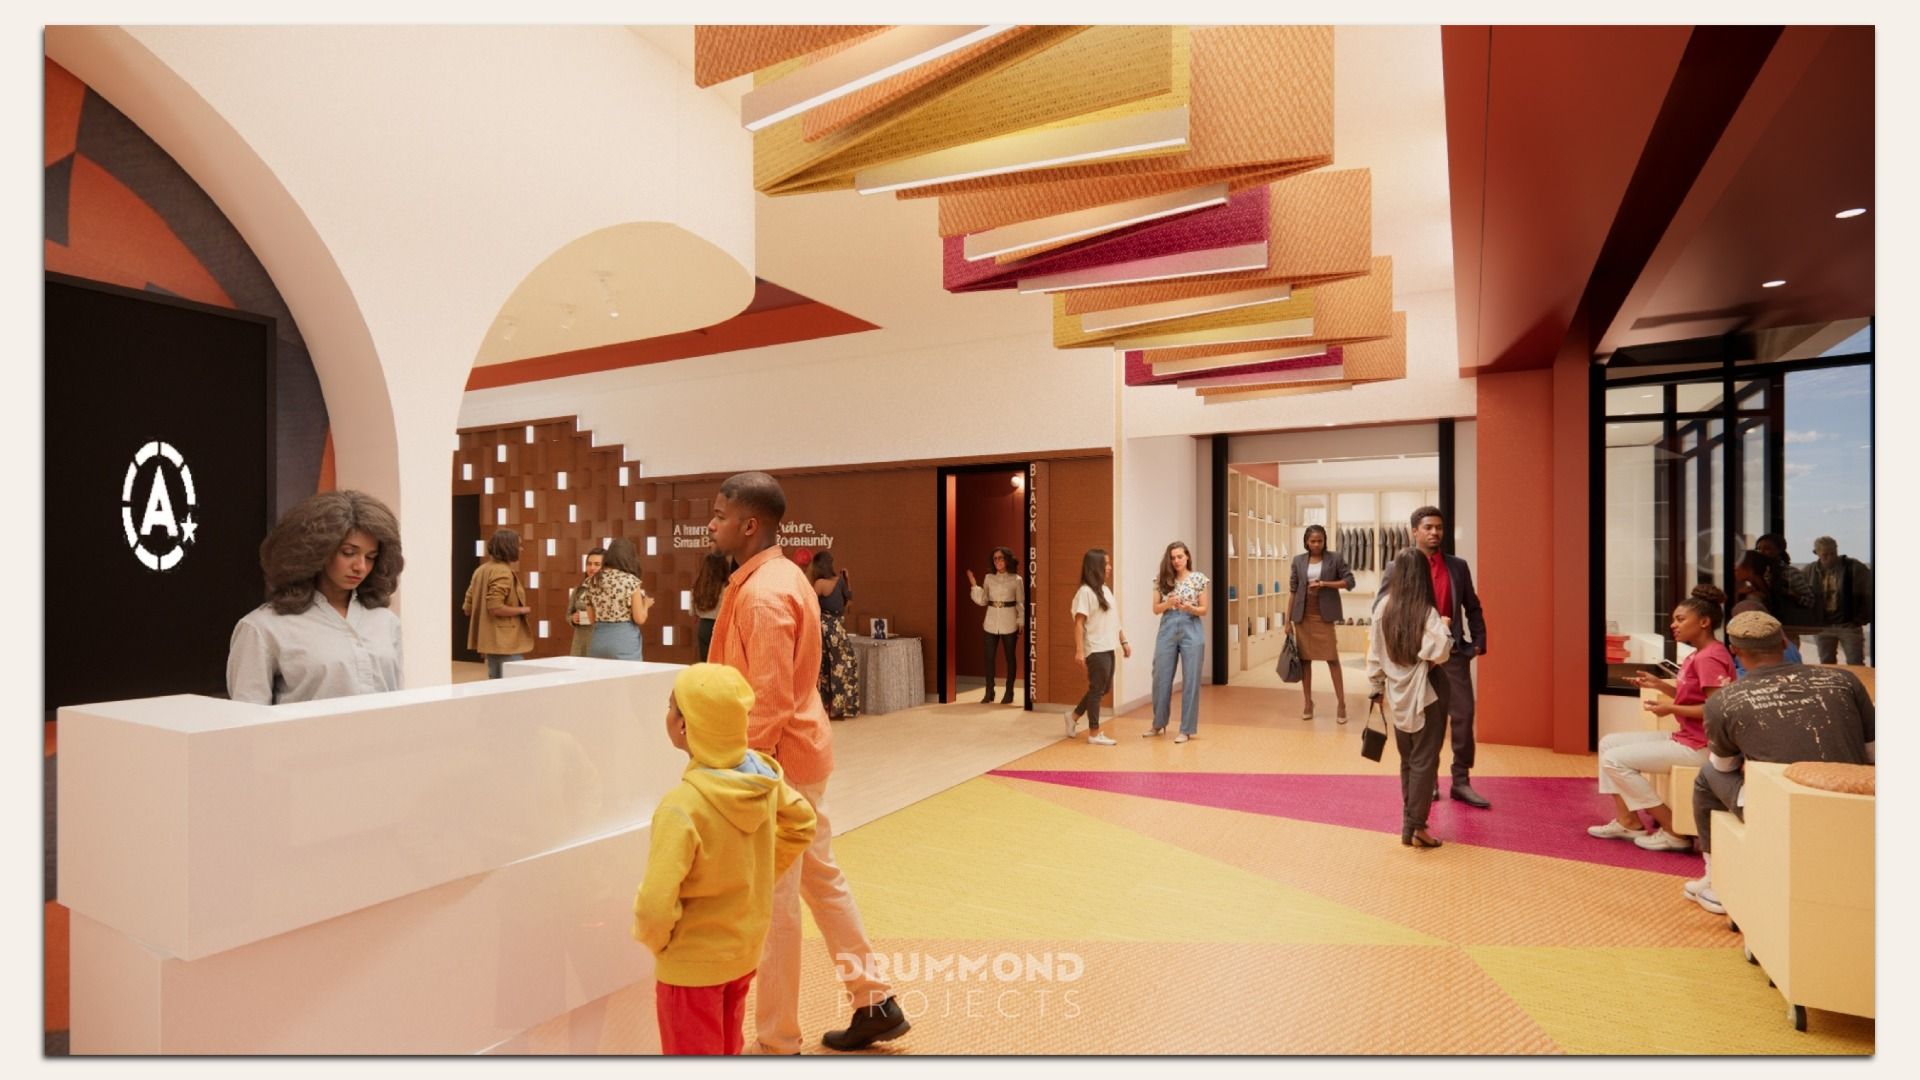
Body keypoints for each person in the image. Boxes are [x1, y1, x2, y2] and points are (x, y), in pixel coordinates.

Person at [704, 472, 904, 1053]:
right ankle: (874, 1000)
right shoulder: (781, 576)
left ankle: (777, 1042)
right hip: (800, 754)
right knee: (820, 879)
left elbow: (765, 702)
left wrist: (738, 774)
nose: (710, 525)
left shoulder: (764, 593)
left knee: (775, 905)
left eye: (718, 516)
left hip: (777, 764)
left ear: (749, 524)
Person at [634, 663, 817, 1056]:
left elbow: (653, 907)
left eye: (672, 707)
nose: (668, 715)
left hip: (690, 967)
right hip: (742, 952)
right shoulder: (761, 780)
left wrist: (660, 944)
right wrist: (761, 874)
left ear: (685, 726)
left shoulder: (681, 807)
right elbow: (802, 821)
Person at [1686, 610, 1874, 916]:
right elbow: (1873, 752)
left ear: (1734, 650)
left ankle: (1716, 881)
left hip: (1780, 807)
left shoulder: (1722, 701)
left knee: (1707, 776)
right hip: (1857, 804)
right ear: (1785, 642)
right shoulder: (1844, 680)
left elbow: (1723, 767)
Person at [1587, 586, 1735, 851]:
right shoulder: (1701, 654)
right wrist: (1659, 685)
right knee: (1609, 743)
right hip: (1688, 737)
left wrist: (1671, 709)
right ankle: (1627, 821)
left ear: (1704, 622)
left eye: (1680, 619)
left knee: (1614, 759)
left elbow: (1717, 709)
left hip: (1701, 746)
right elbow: (1693, 697)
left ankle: (1672, 830)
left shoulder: (1709, 658)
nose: (1673, 625)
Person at [227, 490, 405, 704]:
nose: (361, 566)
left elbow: (397, 703)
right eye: (348, 553)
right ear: (316, 551)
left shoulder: (385, 621)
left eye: (371, 557)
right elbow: (248, 716)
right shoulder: (263, 628)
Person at [1365, 550, 1453, 849]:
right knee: (1425, 761)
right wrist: (1444, 626)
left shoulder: (1383, 608)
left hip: (1396, 693)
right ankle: (1417, 828)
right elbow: (1441, 650)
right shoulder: (1425, 611)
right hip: (1428, 693)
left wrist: (1376, 686)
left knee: (1408, 760)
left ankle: (1409, 826)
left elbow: (1375, 653)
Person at [1409, 506, 1491, 808]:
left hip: (1452, 654)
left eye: (1439, 527)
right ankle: (1428, 781)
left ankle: (1461, 781)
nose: (1434, 532)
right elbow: (1384, 608)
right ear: (1414, 532)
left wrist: (1478, 641)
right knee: (1427, 721)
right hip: (1418, 657)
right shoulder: (1401, 566)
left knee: (1464, 715)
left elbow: (1472, 605)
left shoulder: (1457, 566)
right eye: (1428, 527)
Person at [1286, 524, 1355, 722]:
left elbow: (1350, 582)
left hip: (1324, 616)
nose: (1316, 544)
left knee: (1332, 659)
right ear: (1306, 542)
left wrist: (1324, 584)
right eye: (1313, 541)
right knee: (1305, 661)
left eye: (1320, 541)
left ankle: (1341, 704)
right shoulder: (1298, 560)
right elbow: (1293, 591)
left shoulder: (1335, 558)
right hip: (1303, 616)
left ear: (1325, 541)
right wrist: (1287, 621)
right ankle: (1308, 702)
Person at [1144, 541, 1208, 742]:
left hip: (1191, 626)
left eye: (1180, 556)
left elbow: (1204, 610)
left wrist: (1190, 608)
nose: (1176, 561)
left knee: (1191, 679)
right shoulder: (1161, 580)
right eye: (1173, 558)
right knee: (1160, 677)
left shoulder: (1198, 578)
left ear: (1187, 556)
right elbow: (1156, 609)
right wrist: (1168, 603)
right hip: (1168, 627)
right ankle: (1158, 723)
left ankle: (1186, 729)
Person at [1067, 548, 1132, 745]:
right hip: (1095, 648)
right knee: (1097, 690)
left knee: (1103, 688)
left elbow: (1114, 620)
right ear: (1096, 566)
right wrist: (1079, 650)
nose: (1109, 567)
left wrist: (1123, 641)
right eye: (1106, 564)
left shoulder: (1105, 590)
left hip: (1109, 646)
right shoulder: (1085, 592)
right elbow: (1078, 623)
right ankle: (1094, 733)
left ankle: (1073, 716)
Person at [967, 546, 1025, 704]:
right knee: (989, 658)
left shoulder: (1016, 579)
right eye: (995, 559)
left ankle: (1009, 692)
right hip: (991, 622)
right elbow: (984, 600)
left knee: (1010, 658)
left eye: (1000, 558)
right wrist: (974, 585)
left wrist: (1021, 620)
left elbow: (1020, 602)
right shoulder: (988, 578)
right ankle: (989, 692)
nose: (998, 561)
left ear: (1007, 560)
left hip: (1009, 621)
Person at [1804, 536, 1872, 665]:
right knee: (1827, 664)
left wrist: (1861, 618)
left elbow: (1870, 592)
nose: (1830, 558)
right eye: (1825, 555)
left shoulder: (1854, 567)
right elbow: (1801, 594)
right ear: (1816, 553)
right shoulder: (1809, 571)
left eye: (1833, 553)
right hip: (1822, 626)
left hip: (1848, 625)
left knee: (1855, 663)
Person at [585, 537, 652, 661]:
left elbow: (592, 619)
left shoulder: (592, 581)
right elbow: (639, 618)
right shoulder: (631, 581)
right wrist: (646, 605)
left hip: (598, 641)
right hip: (624, 642)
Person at [811, 550, 859, 720]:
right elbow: (849, 601)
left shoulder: (819, 584)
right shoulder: (840, 582)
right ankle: (843, 707)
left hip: (824, 629)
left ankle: (825, 707)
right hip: (839, 629)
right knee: (844, 667)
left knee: (824, 669)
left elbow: (808, 604)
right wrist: (847, 580)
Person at [692, 549, 731, 663]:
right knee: (723, 664)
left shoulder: (697, 587)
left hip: (703, 627)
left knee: (706, 663)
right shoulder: (729, 588)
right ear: (724, 567)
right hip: (723, 626)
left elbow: (692, 612)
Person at [566, 547, 606, 658]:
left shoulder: (609, 590)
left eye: (597, 564)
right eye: (589, 564)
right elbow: (568, 615)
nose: (592, 568)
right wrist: (573, 619)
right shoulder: (579, 589)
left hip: (600, 641)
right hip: (580, 643)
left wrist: (591, 615)